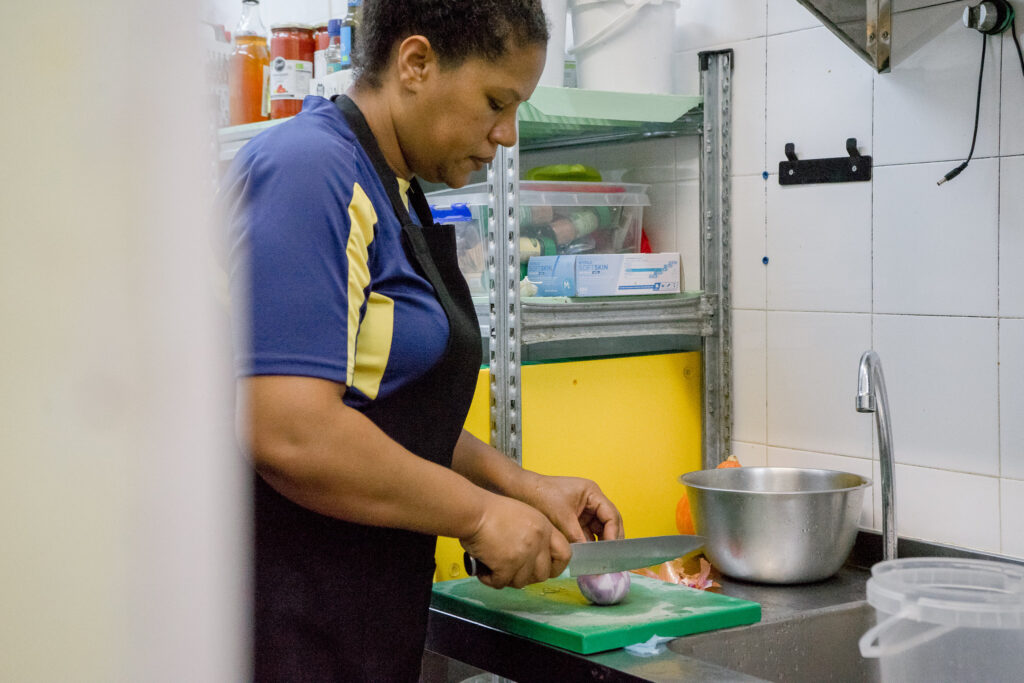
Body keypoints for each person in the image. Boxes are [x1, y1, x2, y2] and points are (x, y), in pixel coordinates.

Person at [221, 1, 624, 680]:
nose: (507, 133)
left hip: (356, 614)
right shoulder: (309, 172)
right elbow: (288, 428)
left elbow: (382, 406)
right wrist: (478, 516)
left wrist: (522, 486)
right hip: (277, 619)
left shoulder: (396, 189)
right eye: (497, 101)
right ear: (415, 63)